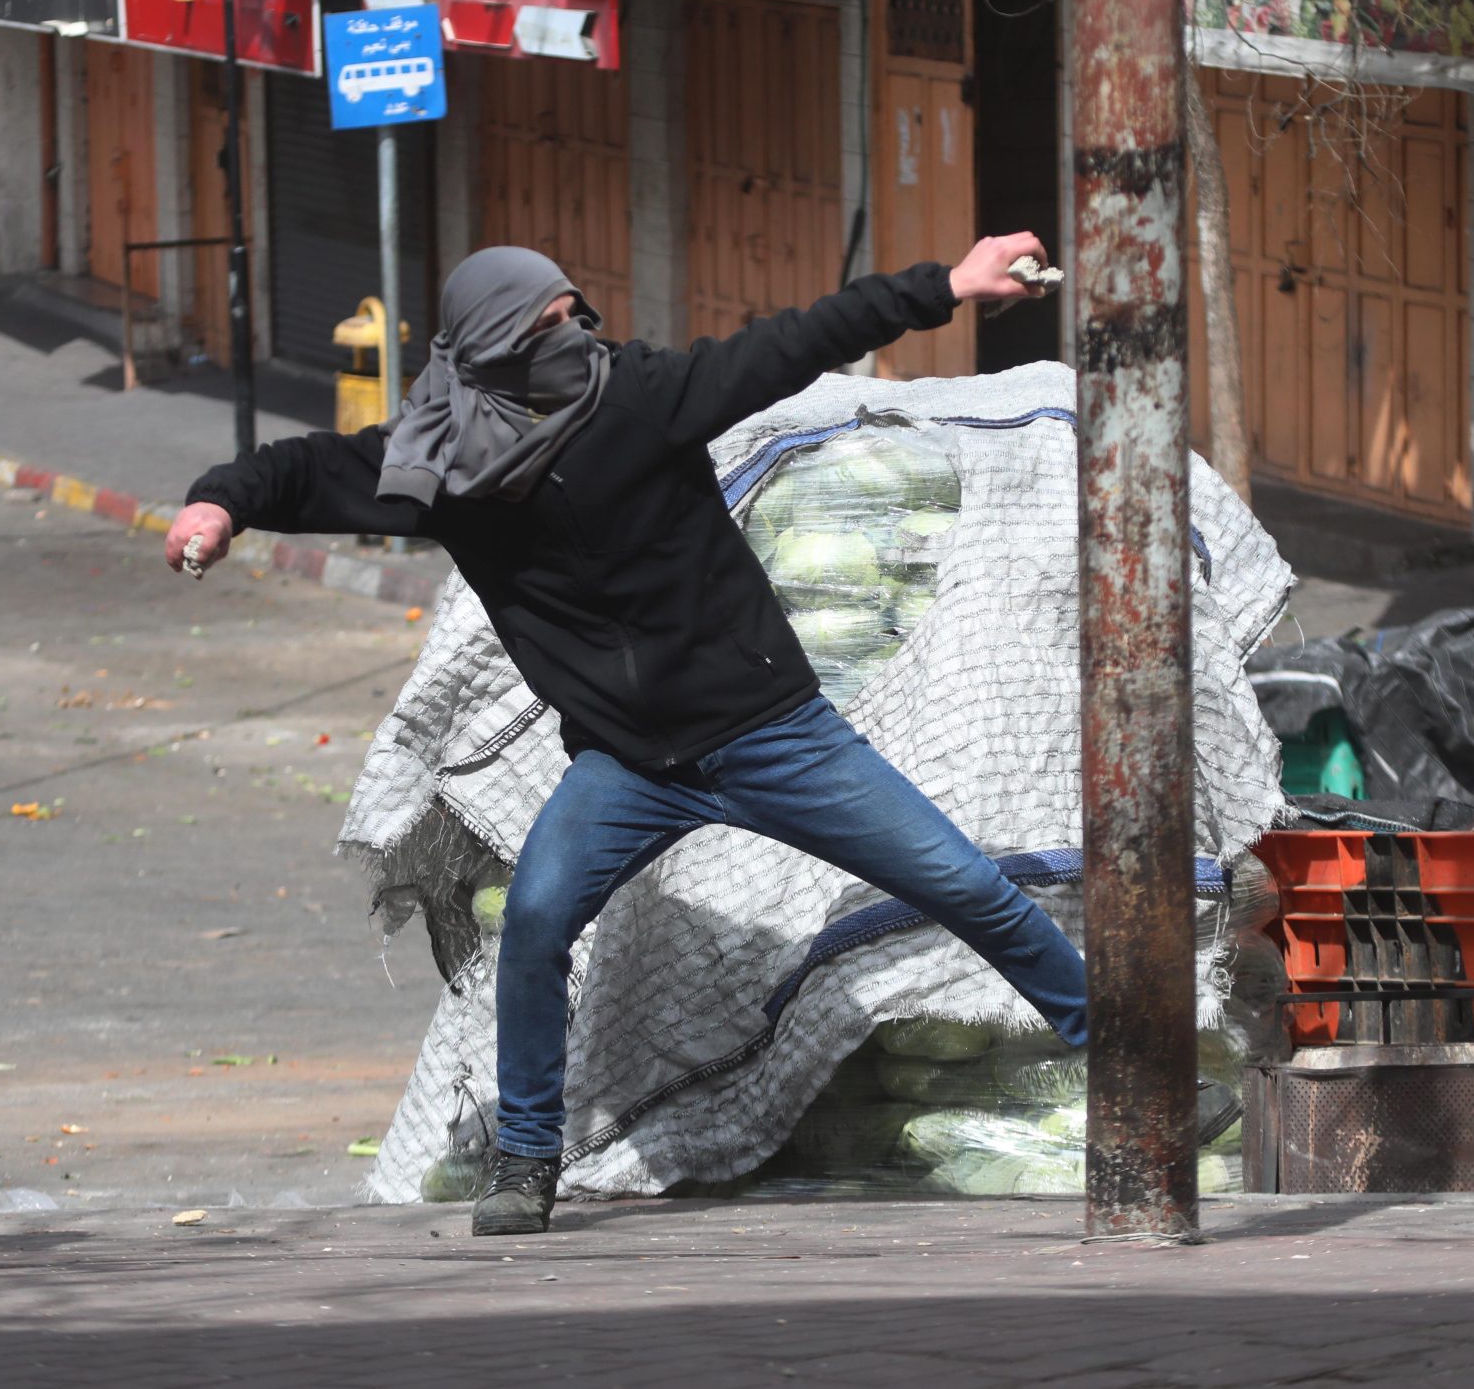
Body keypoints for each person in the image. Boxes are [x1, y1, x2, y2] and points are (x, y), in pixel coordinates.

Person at [167, 236, 1088, 1236]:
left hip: (772, 734)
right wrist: (218, 506)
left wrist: (944, 286)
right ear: (487, 352)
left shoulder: (640, 398)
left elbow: (795, 340)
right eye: (548, 328)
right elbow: (300, 468)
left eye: (577, 314)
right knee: (533, 922)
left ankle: (1127, 1060)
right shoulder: (441, 464)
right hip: (626, 766)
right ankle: (525, 1160)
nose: (578, 338)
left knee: (961, 885)